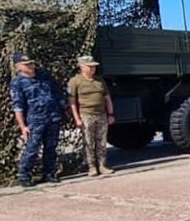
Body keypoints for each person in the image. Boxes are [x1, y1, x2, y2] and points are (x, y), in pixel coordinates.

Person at [10, 53, 68, 187]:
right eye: (27, 64)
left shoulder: (44, 76)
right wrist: (23, 126)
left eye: (32, 63)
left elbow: (57, 94)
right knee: (32, 148)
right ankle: (25, 175)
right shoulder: (17, 83)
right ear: (18, 67)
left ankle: (49, 173)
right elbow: (18, 106)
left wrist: (65, 110)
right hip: (35, 120)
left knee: (51, 147)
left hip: (53, 117)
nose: (31, 66)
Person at [67, 56, 115, 176]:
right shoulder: (75, 81)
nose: (93, 68)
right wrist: (77, 118)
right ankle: (91, 167)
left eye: (94, 66)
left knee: (102, 142)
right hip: (86, 115)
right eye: (90, 66)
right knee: (88, 142)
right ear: (82, 67)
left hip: (101, 115)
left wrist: (110, 114)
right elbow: (72, 102)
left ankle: (102, 165)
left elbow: (107, 98)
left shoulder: (100, 81)